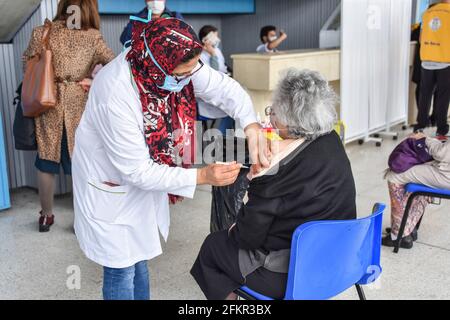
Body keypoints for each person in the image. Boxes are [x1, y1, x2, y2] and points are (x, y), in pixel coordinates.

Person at [73, 18, 270, 300]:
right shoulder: (115, 92)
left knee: (138, 255)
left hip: (141, 176)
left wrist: (251, 126)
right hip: (110, 181)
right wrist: (202, 176)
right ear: (157, 66)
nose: (189, 79)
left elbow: (226, 90)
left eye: (193, 71)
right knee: (121, 267)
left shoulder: (174, 63)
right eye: (182, 74)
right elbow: (137, 171)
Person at [191, 69, 357, 300]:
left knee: (214, 247)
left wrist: (253, 182)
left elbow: (247, 238)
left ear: (291, 119)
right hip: (339, 259)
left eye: (273, 112)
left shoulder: (276, 174)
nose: (269, 118)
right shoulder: (332, 140)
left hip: (293, 274)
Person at [22, 0, 115, 233]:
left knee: (46, 161)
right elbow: (116, 67)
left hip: (47, 101)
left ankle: (46, 216)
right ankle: (82, 219)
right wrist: (93, 82)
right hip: (78, 103)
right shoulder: (93, 36)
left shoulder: (42, 31)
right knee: (79, 162)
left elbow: (27, 65)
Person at [383, 132, 450, 249]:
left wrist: (426, 139)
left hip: (446, 175)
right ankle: (407, 225)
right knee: (415, 172)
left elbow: (442, 153)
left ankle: (398, 235)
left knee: (394, 175)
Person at [414, 0, 450, 140]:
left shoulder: (427, 13)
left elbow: (422, 37)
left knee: (425, 95)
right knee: (443, 96)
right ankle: (441, 129)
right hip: (444, 60)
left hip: (427, 60)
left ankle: (420, 126)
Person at [197, 25, 234, 135]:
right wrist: (212, 54)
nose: (218, 40)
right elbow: (213, 74)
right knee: (230, 110)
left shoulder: (217, 50)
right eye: (215, 37)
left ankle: (223, 137)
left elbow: (223, 68)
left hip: (219, 89)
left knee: (233, 108)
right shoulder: (199, 55)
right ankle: (220, 138)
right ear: (205, 39)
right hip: (207, 96)